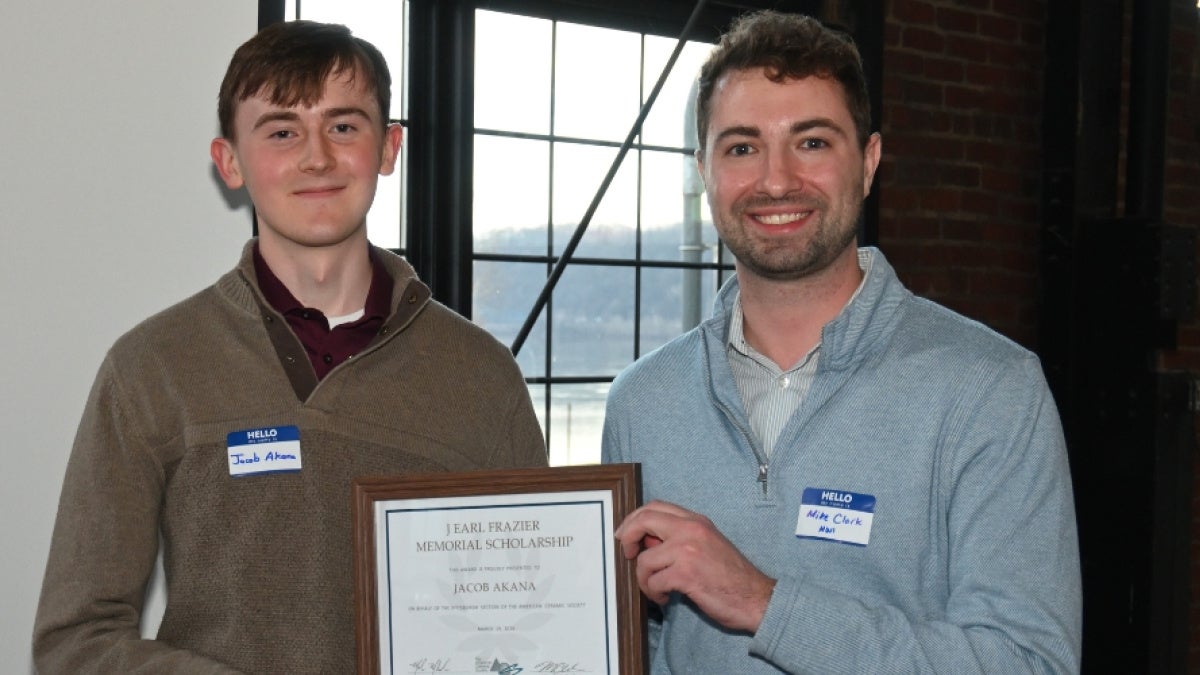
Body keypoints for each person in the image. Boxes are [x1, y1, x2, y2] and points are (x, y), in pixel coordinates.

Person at [33, 20, 546, 674]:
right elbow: (74, 638)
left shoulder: (483, 378)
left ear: (388, 147)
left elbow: (532, 619)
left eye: (343, 126)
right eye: (281, 132)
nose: (317, 158)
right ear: (230, 161)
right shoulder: (150, 367)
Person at [602, 10, 1080, 674]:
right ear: (703, 173)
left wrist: (766, 603)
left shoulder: (990, 389)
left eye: (812, 142)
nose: (774, 180)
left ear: (869, 162)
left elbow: (1031, 662)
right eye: (741, 147)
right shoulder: (641, 402)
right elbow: (637, 646)